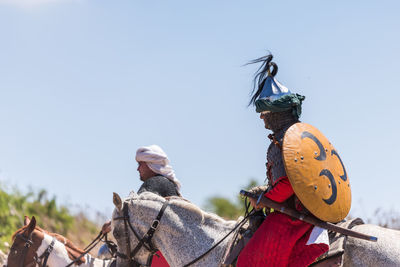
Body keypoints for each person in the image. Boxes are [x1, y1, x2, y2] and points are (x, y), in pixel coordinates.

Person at [236, 54, 329, 267]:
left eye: (264, 112)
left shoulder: (282, 142)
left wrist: (262, 199)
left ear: (276, 113)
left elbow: (287, 185)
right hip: (311, 213)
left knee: (248, 263)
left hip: (293, 218)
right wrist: (265, 190)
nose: (261, 117)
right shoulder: (304, 138)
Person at [100, 145, 180, 267]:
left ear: (150, 164)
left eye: (140, 164)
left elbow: (132, 212)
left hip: (157, 257)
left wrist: (111, 224)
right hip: (170, 255)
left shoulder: (154, 183)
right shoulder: (170, 185)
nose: (137, 169)